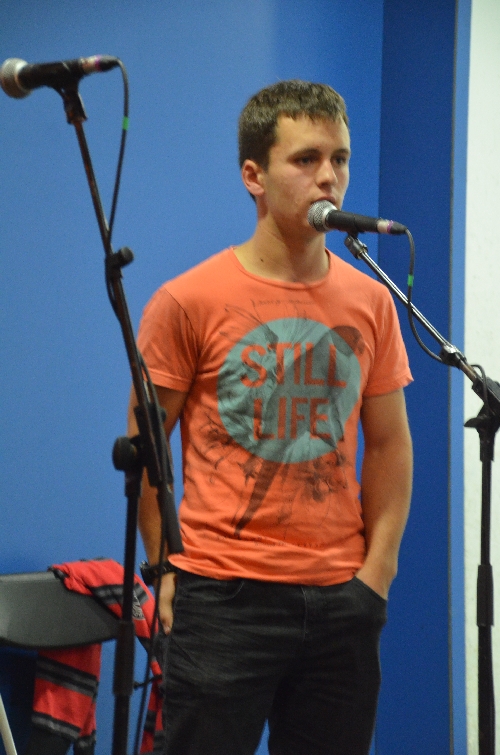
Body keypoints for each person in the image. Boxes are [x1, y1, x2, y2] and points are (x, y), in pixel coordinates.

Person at [128, 79, 413, 755]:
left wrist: (377, 575)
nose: (329, 177)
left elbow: (390, 446)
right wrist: (164, 570)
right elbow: (146, 453)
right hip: (223, 598)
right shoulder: (188, 300)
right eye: (306, 159)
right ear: (253, 176)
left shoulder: (372, 301)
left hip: (342, 600)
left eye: (339, 159)